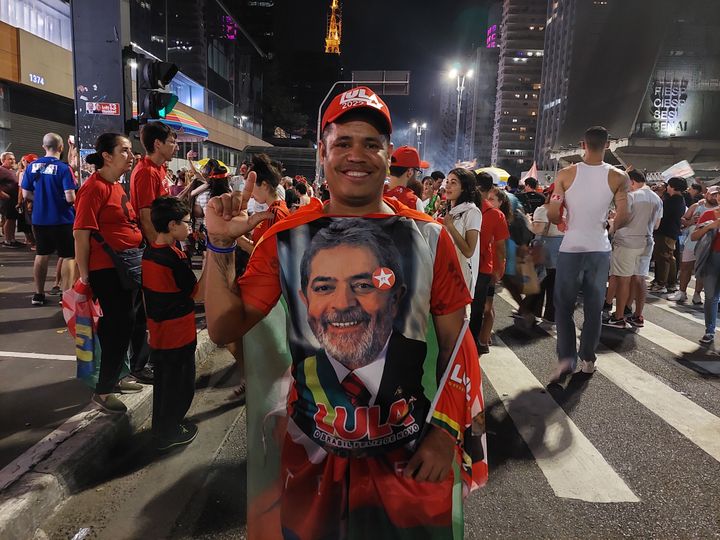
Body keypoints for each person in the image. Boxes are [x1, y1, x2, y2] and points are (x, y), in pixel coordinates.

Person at [203, 86, 486, 537]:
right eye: (343, 142)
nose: (358, 155)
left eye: (371, 144)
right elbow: (223, 327)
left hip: (409, 461)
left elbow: (459, 345)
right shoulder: (286, 238)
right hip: (311, 460)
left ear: (388, 154)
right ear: (322, 151)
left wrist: (444, 434)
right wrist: (218, 243)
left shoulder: (429, 239)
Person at [547, 126, 629, 381]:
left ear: (583, 145)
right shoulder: (618, 177)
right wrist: (611, 225)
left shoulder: (565, 173)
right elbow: (624, 215)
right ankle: (588, 360)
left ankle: (566, 358)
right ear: (607, 146)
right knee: (594, 307)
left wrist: (560, 222)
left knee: (563, 307)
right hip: (599, 249)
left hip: (571, 247)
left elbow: (552, 212)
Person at [73, 133, 144, 414]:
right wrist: (84, 276)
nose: (131, 156)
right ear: (107, 155)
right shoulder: (94, 188)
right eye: (125, 150)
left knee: (124, 325)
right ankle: (102, 392)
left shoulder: (115, 186)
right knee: (117, 328)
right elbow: (80, 234)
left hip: (126, 267)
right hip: (107, 270)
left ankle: (115, 377)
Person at [143, 196, 204, 451]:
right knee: (180, 384)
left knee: (165, 384)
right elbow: (197, 293)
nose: (190, 227)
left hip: (160, 332)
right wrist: (213, 257)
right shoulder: (172, 258)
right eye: (187, 223)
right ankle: (169, 431)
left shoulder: (151, 253)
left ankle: (163, 427)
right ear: (171, 225)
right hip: (177, 333)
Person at [21, 134, 77, 305]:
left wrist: (40, 199)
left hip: (39, 218)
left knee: (41, 254)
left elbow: (26, 194)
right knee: (68, 256)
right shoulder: (63, 168)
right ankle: (65, 295)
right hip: (62, 219)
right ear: (60, 148)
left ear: (44, 146)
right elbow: (70, 198)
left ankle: (38, 294)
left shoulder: (31, 167)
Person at [603, 169, 663, 329]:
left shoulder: (631, 197)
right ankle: (638, 315)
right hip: (647, 240)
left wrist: (612, 224)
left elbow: (621, 220)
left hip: (627, 241)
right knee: (640, 278)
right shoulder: (657, 198)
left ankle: (619, 316)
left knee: (623, 278)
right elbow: (657, 224)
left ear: (631, 182)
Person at [470, 172, 509, 354]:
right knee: (478, 308)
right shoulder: (496, 215)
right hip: (484, 267)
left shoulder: (464, 209)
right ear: (491, 189)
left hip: (463, 265)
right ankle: (473, 345)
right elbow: (500, 247)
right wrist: (500, 268)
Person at [523, 183, 565, 323]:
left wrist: (528, 221)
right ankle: (550, 315)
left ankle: (533, 310)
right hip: (560, 248)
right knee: (554, 283)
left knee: (538, 280)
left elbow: (537, 230)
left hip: (544, 247)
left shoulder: (542, 210)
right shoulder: (566, 211)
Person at [668, 186, 718, 304]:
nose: (714, 197)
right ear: (706, 194)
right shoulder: (697, 206)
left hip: (708, 244)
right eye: (712, 194)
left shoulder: (717, 209)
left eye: (717, 195)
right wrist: (691, 222)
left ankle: (697, 294)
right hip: (692, 242)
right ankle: (682, 292)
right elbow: (683, 219)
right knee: (685, 267)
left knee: (702, 270)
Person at [442, 167, 482, 295]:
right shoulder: (449, 210)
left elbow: (469, 251)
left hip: (460, 276)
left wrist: (450, 226)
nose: (448, 186)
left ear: (464, 187)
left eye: (453, 182)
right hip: (443, 272)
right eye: (447, 181)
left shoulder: (472, 212)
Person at [650, 176, 687, 294]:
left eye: (669, 185)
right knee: (669, 257)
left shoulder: (672, 201)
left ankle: (661, 284)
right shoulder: (680, 199)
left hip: (664, 232)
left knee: (663, 258)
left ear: (673, 187)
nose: (667, 188)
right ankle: (670, 283)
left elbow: (661, 213)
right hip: (671, 232)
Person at [690, 201, 720, 345]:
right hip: (711, 258)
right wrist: (710, 226)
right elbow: (694, 236)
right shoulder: (708, 214)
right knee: (710, 296)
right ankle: (710, 331)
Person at [385, 145, 427, 212]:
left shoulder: (376, 194)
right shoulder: (414, 202)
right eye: (417, 172)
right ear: (410, 172)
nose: (417, 176)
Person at [0, 151, 23, 248]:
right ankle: (7, 241)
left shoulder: (11, 171)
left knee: (12, 220)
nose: (13, 161)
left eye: (13, 159)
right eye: (10, 159)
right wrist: (2, 194)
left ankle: (12, 239)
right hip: (6, 201)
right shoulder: (1, 170)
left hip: (12, 200)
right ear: (3, 160)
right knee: (9, 220)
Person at [16, 153, 38, 250]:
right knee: (32, 222)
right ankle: (34, 242)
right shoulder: (24, 173)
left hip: (33, 199)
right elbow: (21, 190)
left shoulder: (27, 172)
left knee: (34, 222)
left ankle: (36, 242)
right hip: (31, 200)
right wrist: (20, 202)